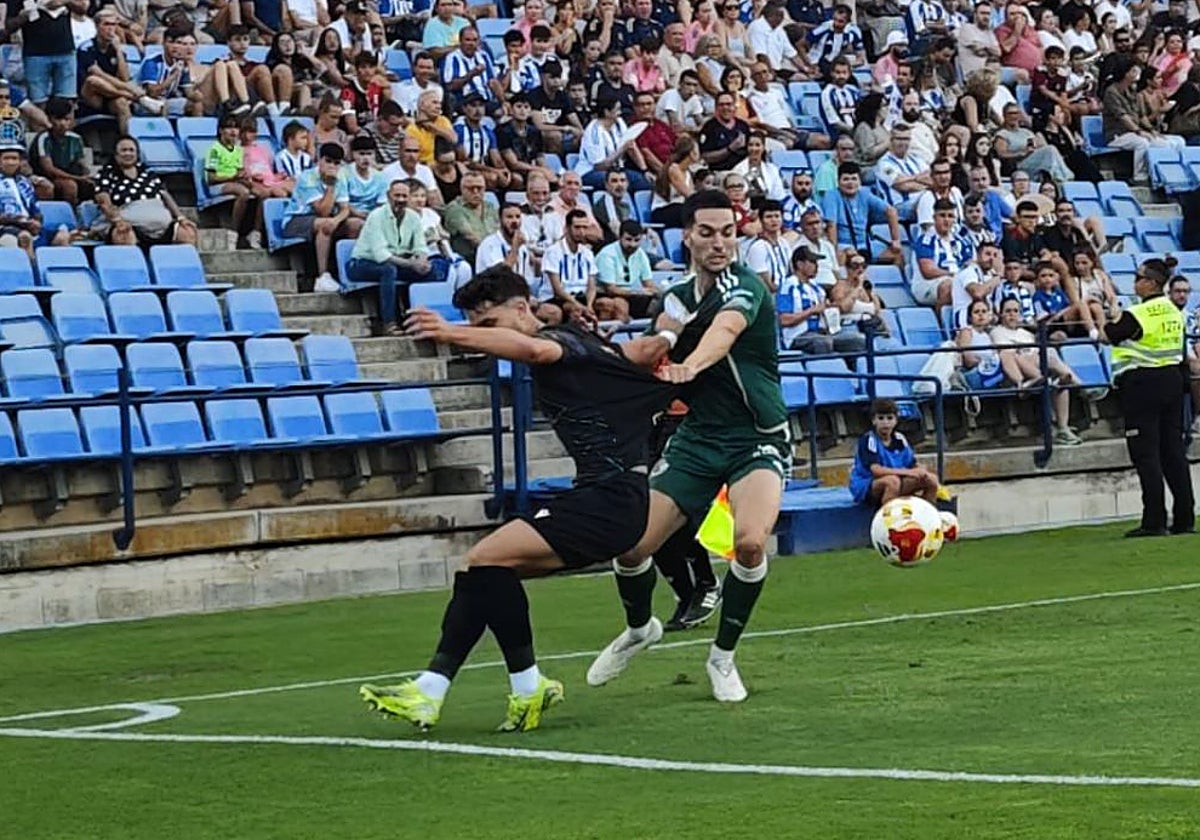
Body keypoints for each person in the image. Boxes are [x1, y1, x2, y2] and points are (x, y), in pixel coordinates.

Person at [358, 265, 677, 732]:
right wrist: (670, 331)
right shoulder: (584, 341)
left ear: (523, 308)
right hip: (610, 498)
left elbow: (531, 348)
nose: (485, 335)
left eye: (490, 323)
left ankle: (516, 685)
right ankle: (439, 689)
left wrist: (452, 332)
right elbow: (634, 354)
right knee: (481, 572)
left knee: (485, 559)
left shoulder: (557, 344)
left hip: (610, 500)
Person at [589, 190, 791, 703]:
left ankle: (721, 658)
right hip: (698, 438)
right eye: (708, 232)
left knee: (748, 542)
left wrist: (691, 364)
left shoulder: (746, 287)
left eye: (728, 231)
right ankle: (639, 629)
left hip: (757, 437)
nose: (720, 242)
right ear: (687, 236)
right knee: (631, 545)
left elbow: (725, 331)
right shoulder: (676, 295)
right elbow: (661, 337)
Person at [1103, 257, 1195, 537]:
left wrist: (1112, 310)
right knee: (1174, 453)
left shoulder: (1139, 314)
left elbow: (1111, 334)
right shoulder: (1173, 310)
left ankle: (1154, 520)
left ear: (1151, 283)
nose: (1135, 283)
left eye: (1139, 278)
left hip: (1143, 384)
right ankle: (1184, 518)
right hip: (1173, 382)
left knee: (1146, 454)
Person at [346, 178, 433, 332]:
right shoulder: (376, 216)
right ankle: (388, 322)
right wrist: (412, 264)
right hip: (361, 264)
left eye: (404, 196)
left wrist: (422, 261)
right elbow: (382, 255)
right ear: (388, 196)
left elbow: (420, 246)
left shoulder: (413, 217)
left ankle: (416, 320)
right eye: (397, 196)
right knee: (389, 270)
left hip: (396, 261)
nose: (400, 200)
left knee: (433, 270)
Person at [93, 135, 198, 247]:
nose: (128, 153)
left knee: (187, 233)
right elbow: (103, 201)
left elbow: (165, 195)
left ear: (137, 154)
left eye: (131, 150)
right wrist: (117, 220)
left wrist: (180, 217)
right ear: (115, 155)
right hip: (128, 225)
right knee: (123, 236)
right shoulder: (106, 173)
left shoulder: (148, 173)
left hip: (162, 227)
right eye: (123, 150)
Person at [283, 142, 350, 291]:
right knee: (324, 224)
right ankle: (322, 276)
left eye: (336, 163)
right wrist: (331, 185)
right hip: (296, 220)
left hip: (325, 218)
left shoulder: (342, 177)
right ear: (319, 160)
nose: (332, 166)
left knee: (355, 225)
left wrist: (336, 220)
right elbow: (322, 211)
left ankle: (348, 272)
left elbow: (345, 209)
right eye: (328, 161)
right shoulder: (308, 177)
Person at [849, 398, 940, 507]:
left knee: (932, 479)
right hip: (867, 484)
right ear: (874, 421)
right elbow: (876, 470)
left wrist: (920, 470)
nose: (885, 423)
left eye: (890, 418)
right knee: (892, 482)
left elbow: (911, 463)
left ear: (896, 420)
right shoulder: (869, 440)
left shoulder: (900, 439)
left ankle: (927, 516)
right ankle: (888, 520)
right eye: (881, 418)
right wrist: (908, 472)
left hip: (898, 479)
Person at [778, 245, 865, 355]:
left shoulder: (816, 288)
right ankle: (826, 371)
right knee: (822, 342)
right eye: (813, 262)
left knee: (857, 341)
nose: (817, 266)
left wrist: (830, 308)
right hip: (797, 336)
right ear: (800, 264)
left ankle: (852, 371)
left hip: (823, 333)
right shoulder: (789, 286)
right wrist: (811, 311)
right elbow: (784, 320)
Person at [596, 219, 657, 320]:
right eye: (628, 239)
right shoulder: (607, 254)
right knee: (620, 304)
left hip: (631, 295)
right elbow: (610, 289)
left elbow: (648, 283)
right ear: (620, 237)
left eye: (637, 240)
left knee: (661, 305)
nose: (632, 244)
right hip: (605, 294)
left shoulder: (640, 254)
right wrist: (638, 292)